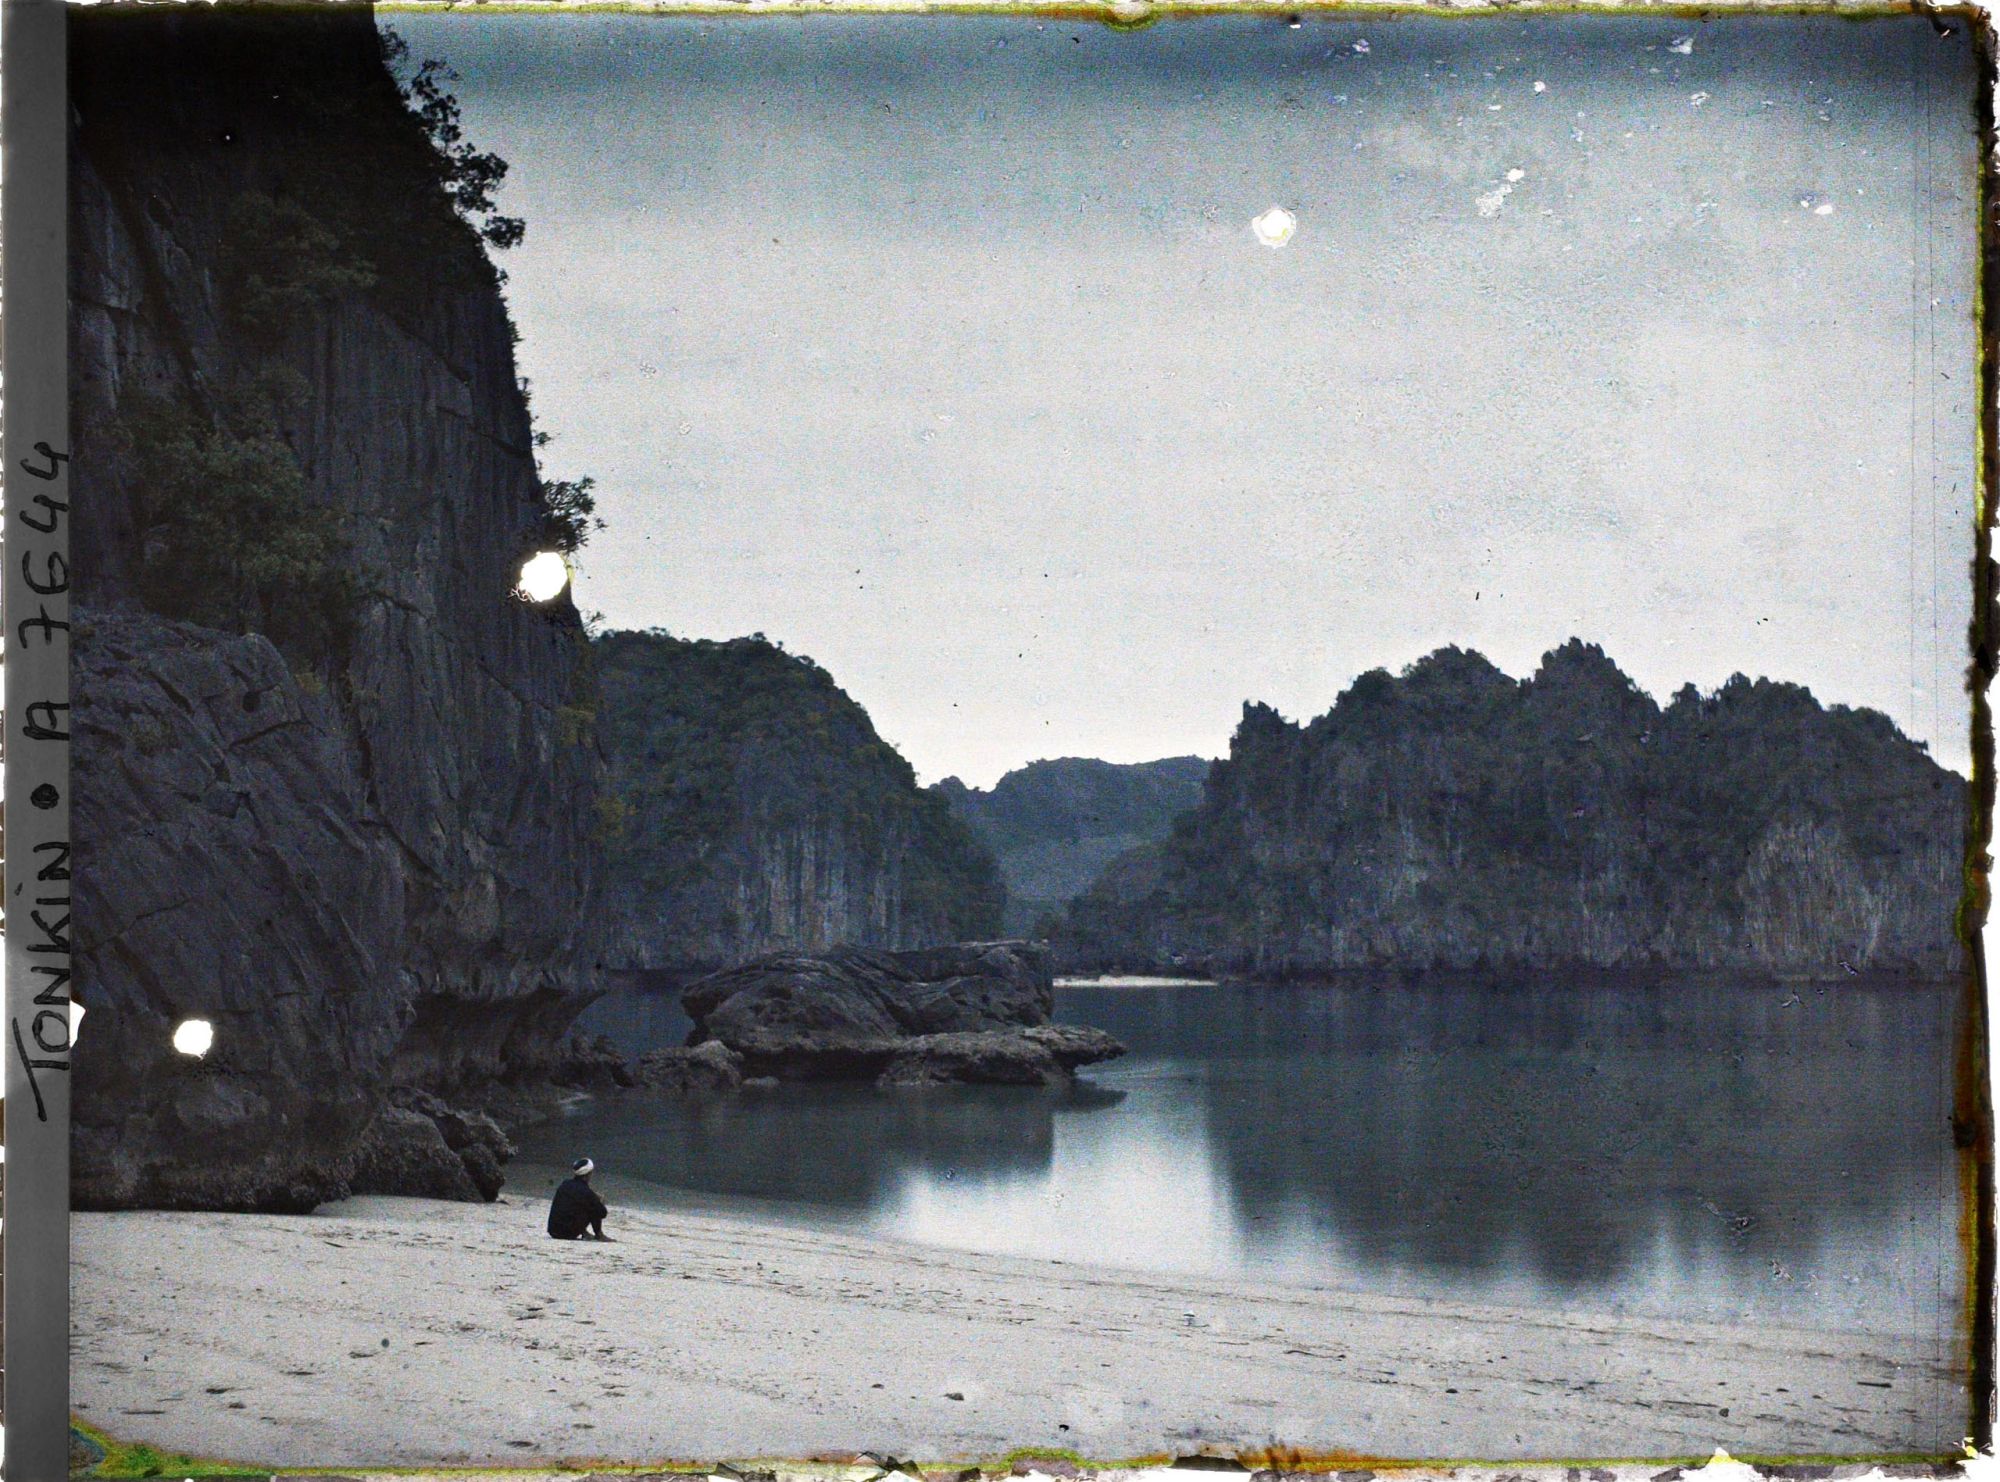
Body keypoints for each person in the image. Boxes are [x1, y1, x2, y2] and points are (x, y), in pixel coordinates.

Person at [547, 1156, 614, 1241]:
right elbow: (602, 1213)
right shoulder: (586, 1192)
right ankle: (599, 1234)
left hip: (553, 1230)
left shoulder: (565, 1184)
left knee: (575, 1206)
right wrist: (599, 1201)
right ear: (589, 1174)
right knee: (593, 1206)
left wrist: (593, 1197)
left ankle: (585, 1233)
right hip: (568, 1233)